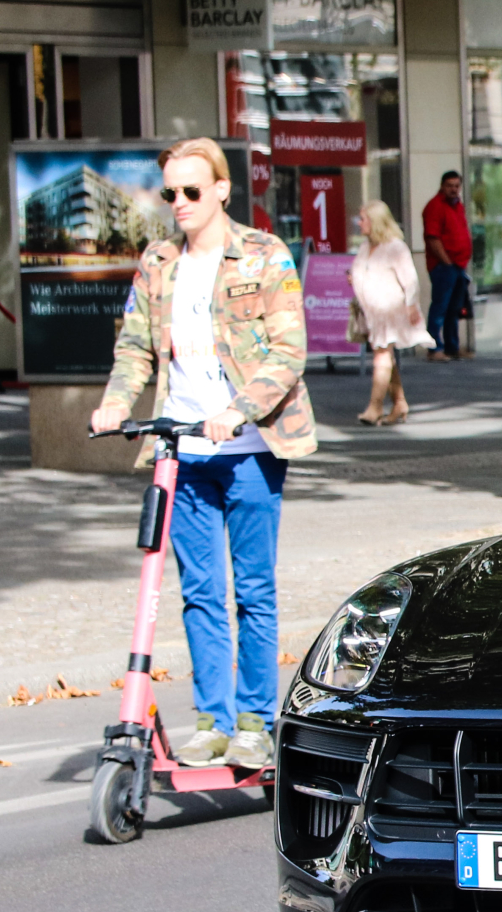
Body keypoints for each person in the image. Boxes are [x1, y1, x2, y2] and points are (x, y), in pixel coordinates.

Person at [87, 137, 313, 769]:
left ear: (221, 189)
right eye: (170, 193)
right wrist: (115, 404)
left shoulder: (265, 256)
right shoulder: (158, 262)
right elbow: (134, 346)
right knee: (200, 591)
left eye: (191, 191)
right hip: (182, 452)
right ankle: (212, 721)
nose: (179, 204)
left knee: (254, 591)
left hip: (250, 449)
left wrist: (234, 410)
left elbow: (288, 351)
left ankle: (253, 723)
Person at [350, 200, 434, 426]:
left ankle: (375, 407)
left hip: (391, 311)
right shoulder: (365, 247)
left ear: (375, 221)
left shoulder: (395, 247)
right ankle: (399, 403)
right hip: (373, 313)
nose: (359, 223)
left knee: (381, 356)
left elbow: (410, 280)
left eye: (363, 219)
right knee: (385, 357)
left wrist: (411, 305)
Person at [421, 170, 471, 361]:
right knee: (440, 308)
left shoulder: (458, 206)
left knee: (454, 309)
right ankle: (434, 348)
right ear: (442, 186)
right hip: (444, 266)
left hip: (458, 265)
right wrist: (446, 261)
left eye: (457, 186)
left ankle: (452, 347)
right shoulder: (435, 206)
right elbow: (433, 238)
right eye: (450, 186)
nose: (453, 189)